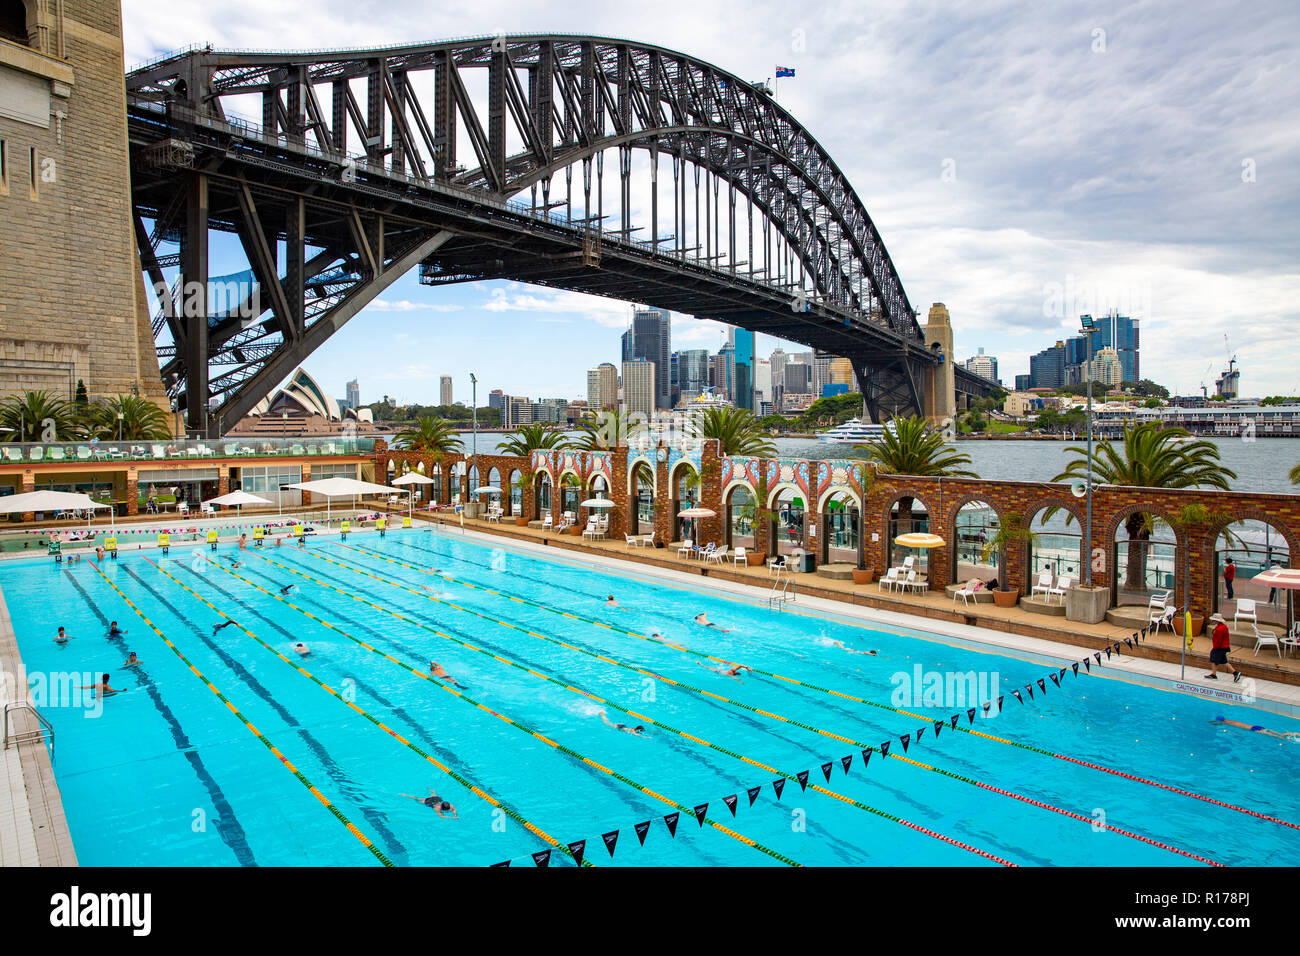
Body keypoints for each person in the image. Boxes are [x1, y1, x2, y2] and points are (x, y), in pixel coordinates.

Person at [1204, 613, 1242, 682]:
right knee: (1223, 661)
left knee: (1214, 658)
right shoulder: (1222, 626)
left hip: (1220, 647)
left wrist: (1216, 647)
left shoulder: (1220, 629)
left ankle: (1235, 673)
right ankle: (1215, 674)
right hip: (1223, 647)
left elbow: (1219, 640)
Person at [1209, 716, 1299, 741]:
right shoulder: (1229, 720)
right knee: (1274, 732)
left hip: (1254, 729)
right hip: (1255, 726)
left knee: (1274, 736)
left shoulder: (1226, 723)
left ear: (1220, 721)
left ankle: (1286, 739)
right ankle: (1287, 734)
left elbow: (1217, 725)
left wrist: (1210, 723)